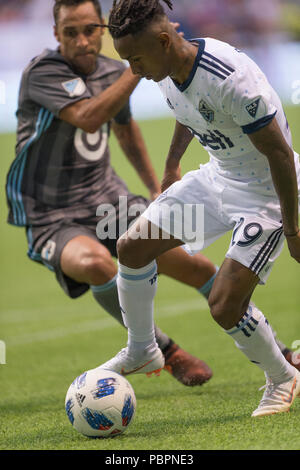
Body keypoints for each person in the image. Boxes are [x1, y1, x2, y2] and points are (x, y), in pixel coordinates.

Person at [5, 0, 297, 390]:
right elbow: (93, 115)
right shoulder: (47, 71)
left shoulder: (138, 67)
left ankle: (279, 357)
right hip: (52, 213)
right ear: (55, 33)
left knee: (198, 273)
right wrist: (140, 71)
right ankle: (159, 348)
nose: (82, 40)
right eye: (69, 31)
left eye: (90, 29)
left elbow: (136, 126)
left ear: (102, 29)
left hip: (114, 199)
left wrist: (155, 181)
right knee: (106, 259)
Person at [100, 0, 300, 417]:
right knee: (132, 247)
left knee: (225, 305)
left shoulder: (232, 79)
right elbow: (188, 109)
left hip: (265, 196)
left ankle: (283, 377)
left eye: (135, 59)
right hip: (217, 179)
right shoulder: (165, 64)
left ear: (163, 40)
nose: (133, 71)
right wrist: (172, 164)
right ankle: (143, 349)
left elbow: (280, 155)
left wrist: (294, 229)